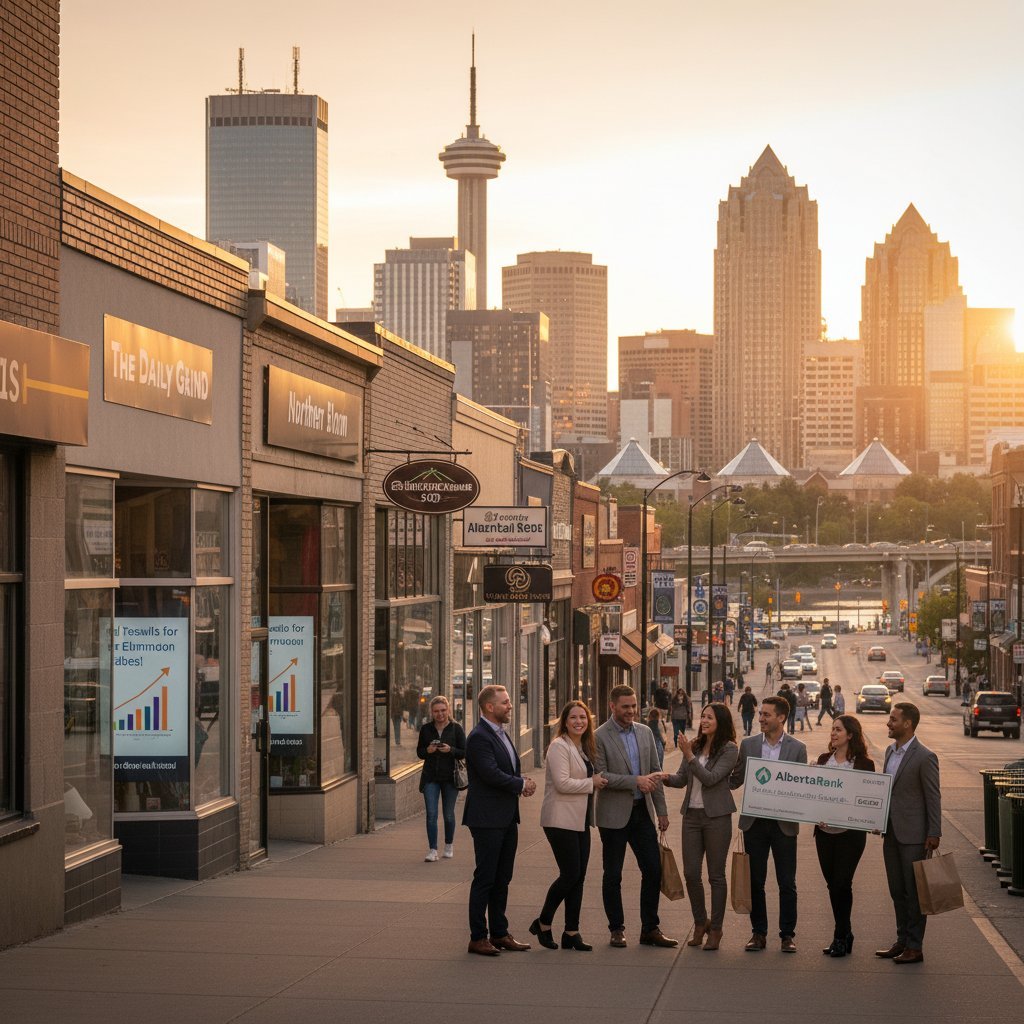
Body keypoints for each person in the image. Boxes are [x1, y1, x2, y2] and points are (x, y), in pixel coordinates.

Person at [594, 684, 677, 949]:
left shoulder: (644, 732)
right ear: (612, 706)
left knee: (653, 870)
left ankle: (650, 928)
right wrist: (635, 781)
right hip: (614, 815)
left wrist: (662, 811)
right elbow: (602, 775)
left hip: (643, 813)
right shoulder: (598, 736)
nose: (631, 711)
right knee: (613, 875)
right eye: (625, 707)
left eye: (633, 706)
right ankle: (616, 929)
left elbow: (655, 772)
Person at [730, 695, 808, 952]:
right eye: (760, 714)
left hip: (784, 825)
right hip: (755, 823)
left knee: (787, 882)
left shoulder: (797, 748)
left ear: (781, 718)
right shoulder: (749, 745)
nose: (760, 718)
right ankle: (758, 933)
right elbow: (736, 779)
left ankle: (787, 935)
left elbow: (802, 787)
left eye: (766, 714)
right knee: (755, 881)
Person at [463, 684, 537, 956]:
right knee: (485, 878)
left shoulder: (501, 733)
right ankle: (478, 937)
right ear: (489, 707)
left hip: (506, 817)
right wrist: (520, 785)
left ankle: (500, 933)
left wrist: (519, 782)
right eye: (505, 702)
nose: (510, 706)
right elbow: (490, 773)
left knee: (502, 878)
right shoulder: (479, 737)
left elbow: (505, 769)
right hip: (487, 819)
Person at [531, 701, 609, 951]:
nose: (579, 722)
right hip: (559, 819)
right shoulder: (558, 746)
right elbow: (563, 784)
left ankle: (571, 932)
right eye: (573, 718)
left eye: (583, 718)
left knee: (579, 878)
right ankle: (543, 922)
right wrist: (592, 782)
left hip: (579, 820)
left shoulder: (582, 747)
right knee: (570, 874)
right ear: (564, 721)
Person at [664, 703, 739, 951]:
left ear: (721, 721)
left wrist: (688, 755)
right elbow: (682, 779)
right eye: (703, 716)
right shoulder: (695, 746)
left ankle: (715, 929)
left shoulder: (729, 749)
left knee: (716, 875)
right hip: (691, 818)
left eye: (710, 717)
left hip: (716, 817)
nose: (704, 720)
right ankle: (700, 922)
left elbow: (710, 779)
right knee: (691, 874)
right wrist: (663, 777)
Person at [876, 702, 941, 965]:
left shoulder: (925, 756)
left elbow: (933, 796)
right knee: (897, 890)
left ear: (907, 724)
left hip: (914, 835)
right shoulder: (890, 752)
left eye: (893, 720)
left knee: (914, 893)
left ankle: (915, 946)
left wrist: (934, 832)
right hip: (890, 832)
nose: (888, 724)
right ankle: (902, 940)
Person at [814, 715, 875, 957]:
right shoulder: (822, 761)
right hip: (824, 833)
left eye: (838, 730)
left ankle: (840, 936)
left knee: (842, 883)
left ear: (850, 735)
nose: (833, 733)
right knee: (833, 885)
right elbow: (814, 795)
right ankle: (846, 933)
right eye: (832, 730)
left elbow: (869, 799)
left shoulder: (863, 764)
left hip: (850, 835)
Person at [417, 695, 467, 862]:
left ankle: (449, 845)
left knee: (448, 814)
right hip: (430, 777)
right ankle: (432, 850)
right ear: (431, 712)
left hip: (450, 777)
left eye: (443, 710)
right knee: (431, 814)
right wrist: (428, 750)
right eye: (436, 711)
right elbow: (419, 752)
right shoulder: (426, 729)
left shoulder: (456, 728)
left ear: (448, 710)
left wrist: (450, 750)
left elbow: (464, 752)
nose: (440, 714)